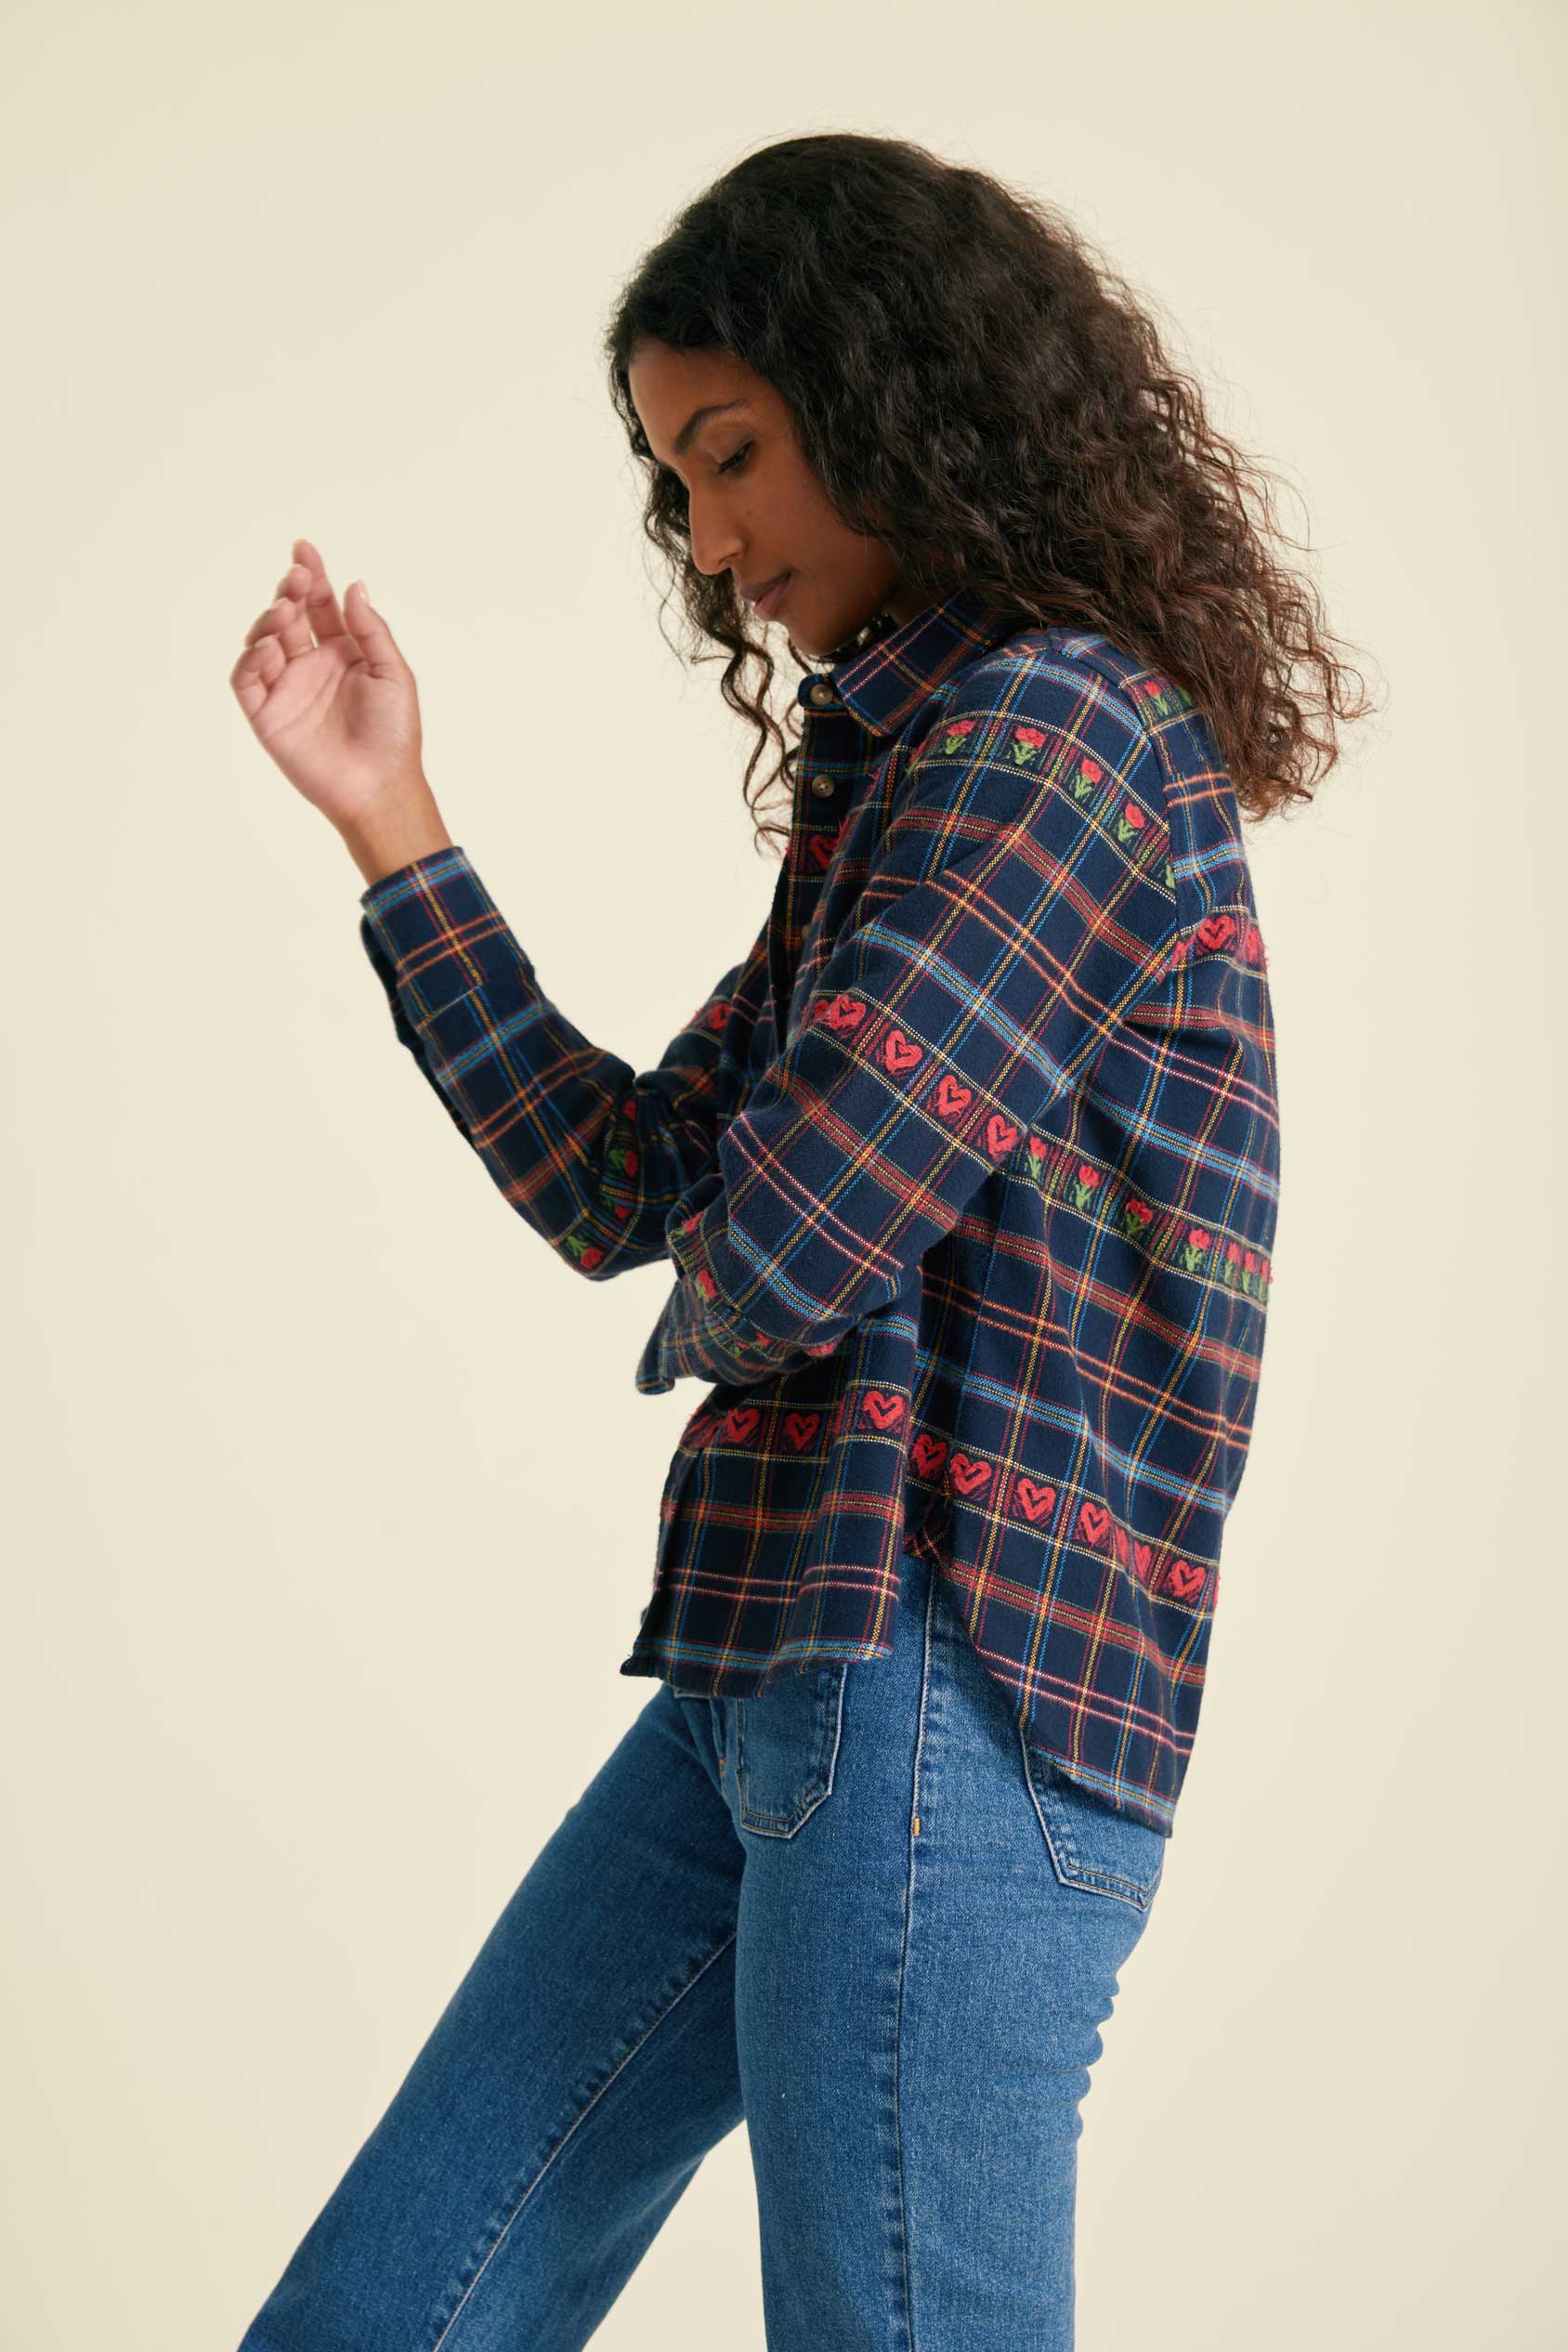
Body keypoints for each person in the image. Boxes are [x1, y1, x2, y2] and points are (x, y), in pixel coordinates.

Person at [227, 130, 1370, 2352]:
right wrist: (392, 819)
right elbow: (628, 1189)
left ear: (894, 399)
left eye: (732, 456)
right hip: (787, 1656)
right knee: (397, 2305)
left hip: (951, 1672)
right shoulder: (912, 761)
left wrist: (726, 1281)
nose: (712, 538)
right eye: (676, 483)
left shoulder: (1051, 736)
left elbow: (800, 1223)